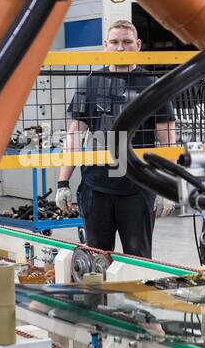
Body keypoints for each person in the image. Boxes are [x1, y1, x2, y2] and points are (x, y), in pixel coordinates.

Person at [56, 20, 177, 258]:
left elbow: (168, 142)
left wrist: (167, 187)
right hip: (96, 186)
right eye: (114, 42)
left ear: (138, 45)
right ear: (105, 45)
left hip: (138, 187)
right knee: (98, 259)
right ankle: (101, 297)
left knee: (138, 259)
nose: (120, 48)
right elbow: (74, 135)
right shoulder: (89, 83)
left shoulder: (154, 86)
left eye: (126, 42)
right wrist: (62, 184)